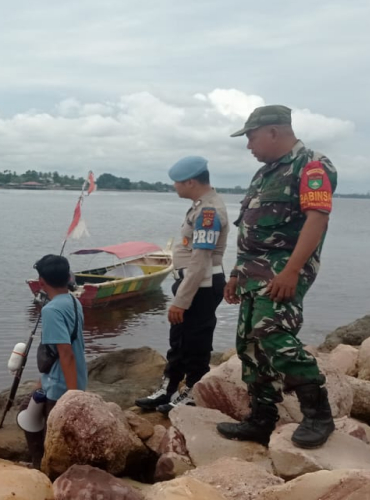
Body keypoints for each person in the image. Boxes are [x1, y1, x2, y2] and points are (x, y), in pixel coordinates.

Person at [216, 105, 337, 449]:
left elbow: (317, 219)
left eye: (251, 137)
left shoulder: (312, 166)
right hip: (253, 274)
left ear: (273, 131)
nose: (248, 145)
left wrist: (292, 270)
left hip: (285, 271)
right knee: (249, 345)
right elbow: (250, 230)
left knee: (271, 333)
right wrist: (237, 274)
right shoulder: (264, 174)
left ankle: (318, 414)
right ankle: (262, 418)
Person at [135, 156, 229, 414]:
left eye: (177, 182)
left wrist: (180, 301)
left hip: (202, 285)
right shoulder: (200, 206)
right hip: (191, 283)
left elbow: (200, 262)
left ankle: (193, 391)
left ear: (190, 181)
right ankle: (169, 387)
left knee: (196, 340)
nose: (174, 187)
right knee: (178, 339)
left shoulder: (209, 212)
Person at [22, 254, 88, 470]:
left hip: (60, 389)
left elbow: (65, 353)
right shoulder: (73, 301)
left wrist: (71, 398)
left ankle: (43, 468)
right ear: (68, 276)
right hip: (72, 378)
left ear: (41, 282)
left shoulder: (51, 310)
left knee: (51, 435)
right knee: (26, 406)